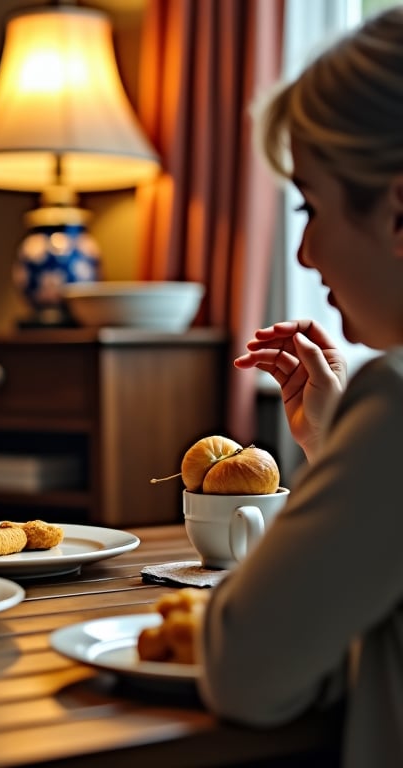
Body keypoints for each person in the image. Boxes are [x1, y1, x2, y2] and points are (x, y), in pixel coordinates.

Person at [199, 6, 403, 765]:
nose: (308, 253)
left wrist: (364, 437)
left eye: (311, 207)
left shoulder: (396, 404)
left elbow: (246, 670)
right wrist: (336, 446)